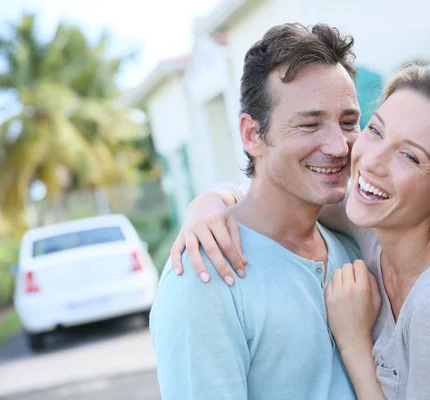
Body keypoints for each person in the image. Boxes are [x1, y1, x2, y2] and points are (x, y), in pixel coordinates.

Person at [170, 64, 430, 399]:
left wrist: (353, 343)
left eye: (410, 156)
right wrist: (211, 203)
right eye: (376, 131)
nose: (371, 161)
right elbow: (283, 195)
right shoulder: (377, 227)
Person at [149, 23, 381, 400]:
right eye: (309, 124)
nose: (340, 147)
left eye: (348, 123)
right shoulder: (203, 276)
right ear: (252, 135)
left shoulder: (354, 242)